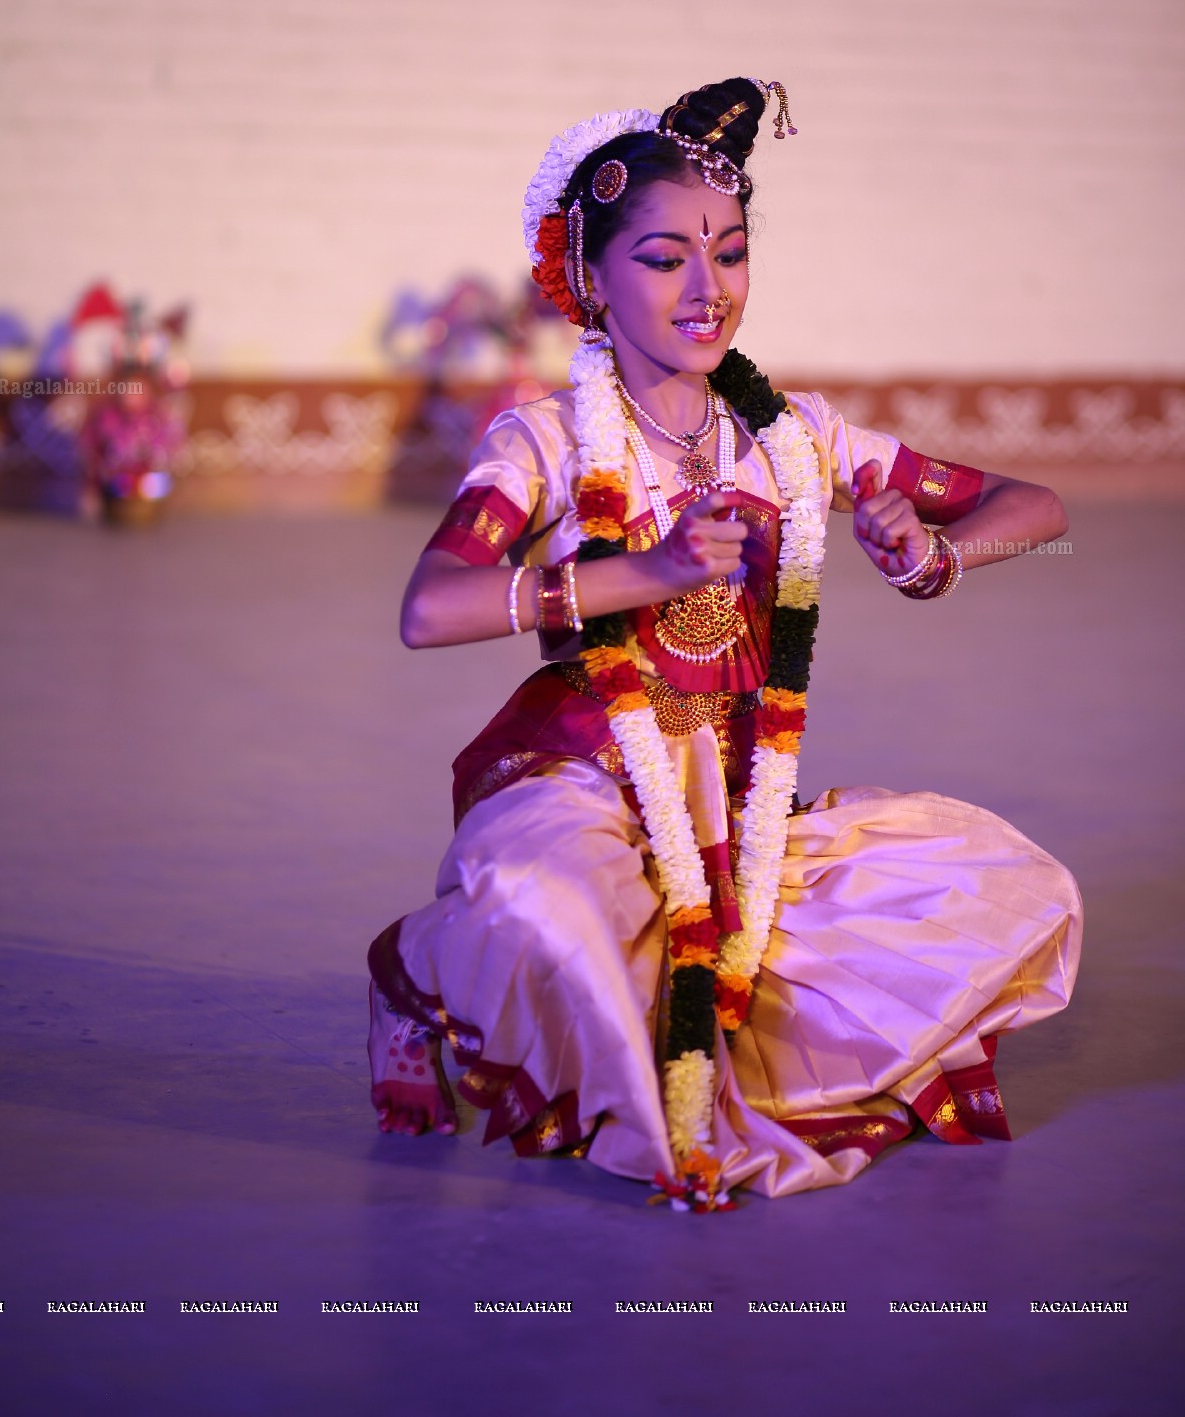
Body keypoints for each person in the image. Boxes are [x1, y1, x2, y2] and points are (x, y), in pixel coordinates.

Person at [366, 77, 1082, 1210]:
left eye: (732, 252)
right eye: (664, 260)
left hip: (734, 800)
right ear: (590, 278)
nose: (709, 290)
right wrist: (642, 573)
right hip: (583, 775)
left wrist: (932, 557)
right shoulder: (548, 441)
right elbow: (431, 608)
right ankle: (415, 970)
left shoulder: (794, 437)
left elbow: (1031, 504)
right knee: (551, 913)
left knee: (1007, 891)